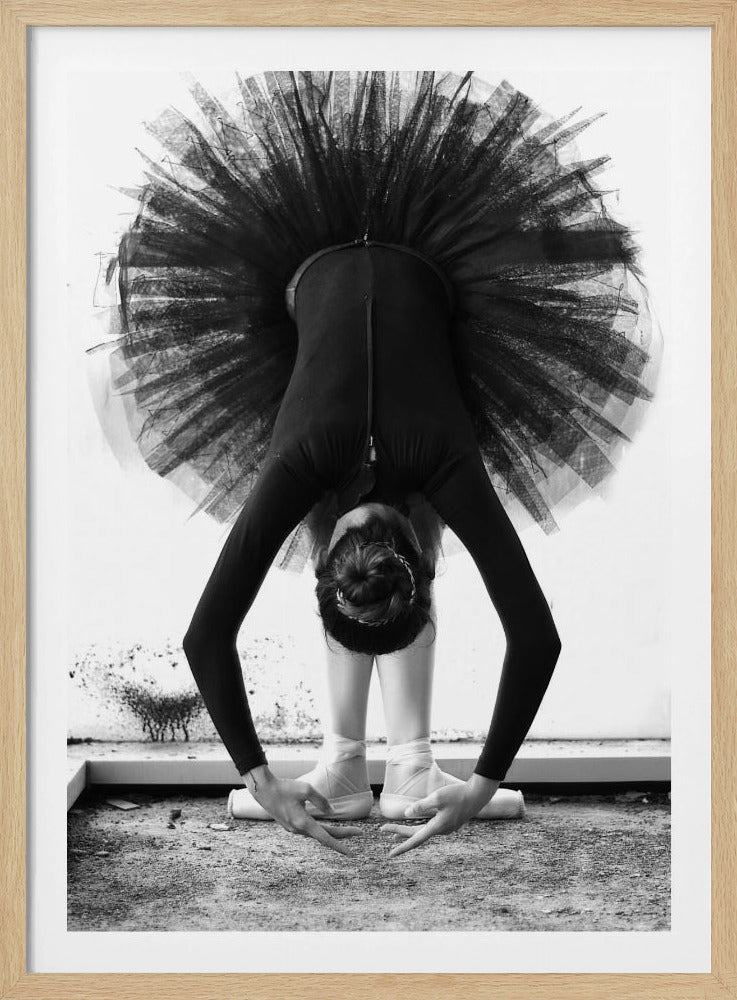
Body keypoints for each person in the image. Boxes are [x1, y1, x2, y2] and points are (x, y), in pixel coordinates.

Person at [98, 70, 661, 858]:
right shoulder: (419, 459)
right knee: (378, 580)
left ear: (327, 552)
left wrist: (261, 782)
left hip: (385, 283)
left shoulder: (341, 461)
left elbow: (204, 637)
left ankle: (392, 767)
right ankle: (368, 766)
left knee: (367, 575)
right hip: (354, 284)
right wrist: (482, 787)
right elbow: (535, 638)